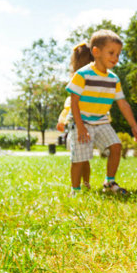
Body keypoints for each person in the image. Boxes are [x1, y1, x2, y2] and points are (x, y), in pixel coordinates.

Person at [66, 30, 137, 196]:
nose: (115, 58)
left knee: (116, 146)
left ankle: (109, 182)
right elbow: (74, 102)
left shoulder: (114, 79)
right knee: (79, 158)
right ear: (96, 52)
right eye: (111, 53)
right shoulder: (82, 75)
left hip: (101, 121)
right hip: (81, 122)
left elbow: (123, 104)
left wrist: (134, 126)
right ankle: (75, 190)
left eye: (118, 54)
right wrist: (80, 126)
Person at [58, 42, 94, 190]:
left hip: (78, 125)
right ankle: (85, 184)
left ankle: (77, 187)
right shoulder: (94, 78)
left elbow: (70, 104)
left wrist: (62, 120)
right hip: (90, 123)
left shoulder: (78, 78)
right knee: (83, 159)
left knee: (77, 159)